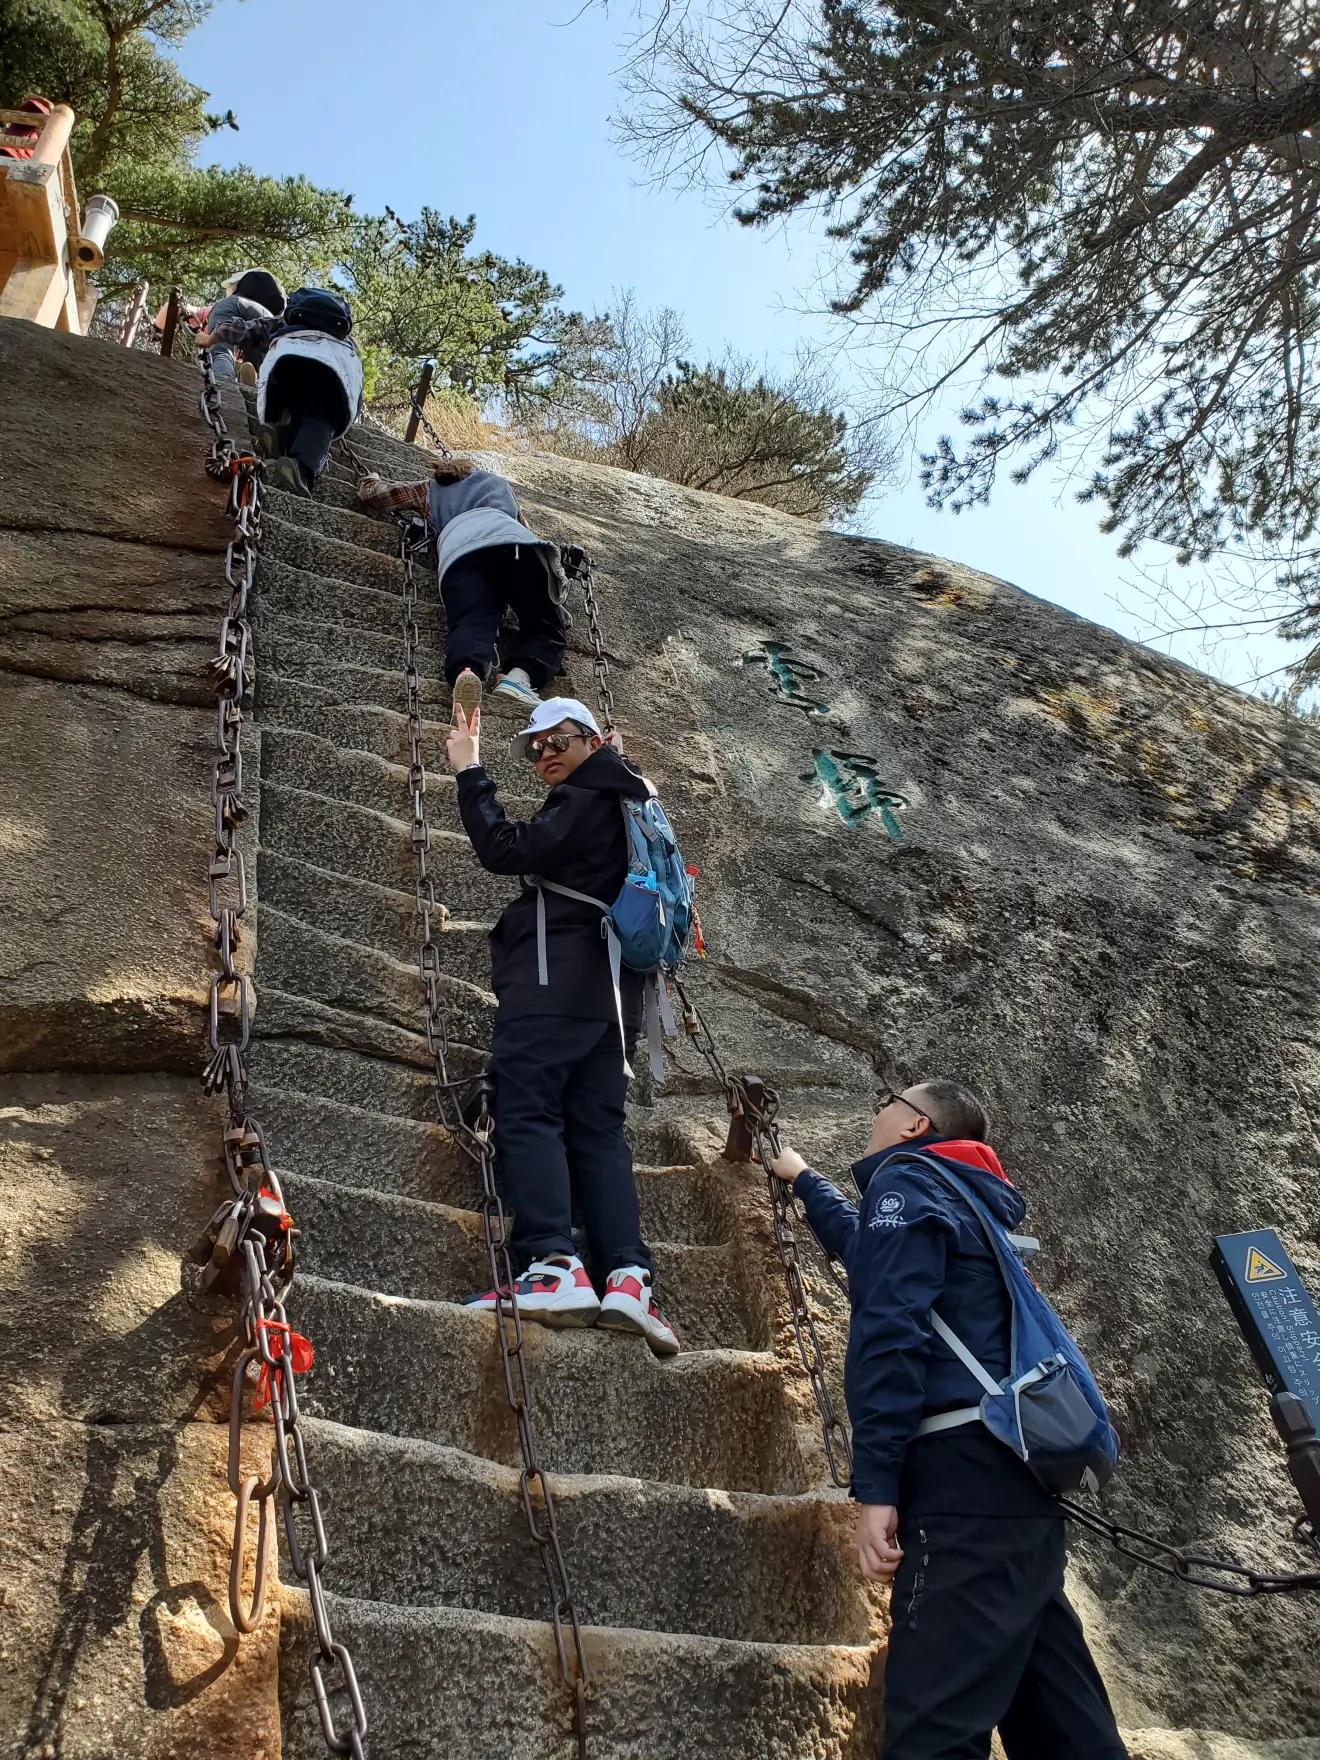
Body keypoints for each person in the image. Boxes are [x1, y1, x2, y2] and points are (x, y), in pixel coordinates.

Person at [768, 1080, 1128, 1760]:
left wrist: (876, 1488)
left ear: (913, 1126)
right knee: (1068, 1735)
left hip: (961, 1494)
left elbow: (891, 1332)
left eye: (888, 1100)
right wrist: (808, 1180)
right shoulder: (965, 1198)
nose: (877, 1110)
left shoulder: (905, 1184)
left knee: (932, 1737)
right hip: (1018, 1491)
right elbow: (877, 1267)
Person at [445, 694, 678, 1356]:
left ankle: (551, 1263)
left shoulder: (588, 793)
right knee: (598, 1131)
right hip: (614, 991)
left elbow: (505, 848)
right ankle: (628, 1279)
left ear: (594, 740)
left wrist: (470, 769)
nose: (545, 753)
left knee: (527, 1108)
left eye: (559, 740)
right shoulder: (631, 796)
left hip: (559, 977)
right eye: (535, 747)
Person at [357, 458, 567, 710]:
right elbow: (523, 525)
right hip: (514, 543)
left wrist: (371, 479)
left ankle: (467, 673)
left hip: (460, 551)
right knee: (545, 624)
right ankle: (519, 679)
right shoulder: (499, 485)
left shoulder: (430, 488)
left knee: (471, 622)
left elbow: (377, 495)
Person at [198, 286, 363, 496]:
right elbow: (357, 385)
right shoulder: (348, 345)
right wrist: (348, 416)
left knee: (285, 401)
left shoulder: (285, 324)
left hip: (287, 367)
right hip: (332, 379)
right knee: (320, 420)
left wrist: (211, 338)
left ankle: (276, 430)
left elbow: (244, 330)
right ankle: (301, 469)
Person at [192, 268, 285, 382]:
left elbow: (225, 331)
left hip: (235, 307)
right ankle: (255, 383)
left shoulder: (232, 302)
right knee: (262, 362)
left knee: (221, 351)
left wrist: (209, 338)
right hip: (267, 316)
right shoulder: (277, 319)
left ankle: (223, 381)